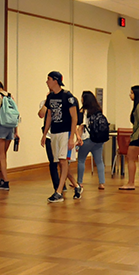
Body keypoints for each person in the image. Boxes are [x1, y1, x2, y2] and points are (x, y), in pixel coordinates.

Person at [40, 71, 80, 203]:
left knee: (63, 161)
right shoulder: (50, 97)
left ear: (55, 81)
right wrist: (45, 134)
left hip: (65, 132)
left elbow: (74, 118)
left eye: (49, 79)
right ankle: (77, 185)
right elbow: (49, 116)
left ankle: (59, 192)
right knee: (59, 163)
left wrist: (72, 137)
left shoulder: (68, 97)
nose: (47, 82)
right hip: (55, 133)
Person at [76, 91, 108, 192]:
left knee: (81, 160)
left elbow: (81, 127)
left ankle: (80, 182)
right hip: (98, 139)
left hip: (87, 139)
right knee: (99, 161)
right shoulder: (98, 110)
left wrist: (78, 139)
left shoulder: (83, 111)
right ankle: (101, 182)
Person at [38, 99, 60, 193]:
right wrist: (47, 101)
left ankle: (63, 183)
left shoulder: (62, 100)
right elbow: (41, 114)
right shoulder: (44, 103)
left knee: (62, 162)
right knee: (52, 162)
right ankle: (57, 186)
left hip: (59, 136)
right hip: (49, 136)